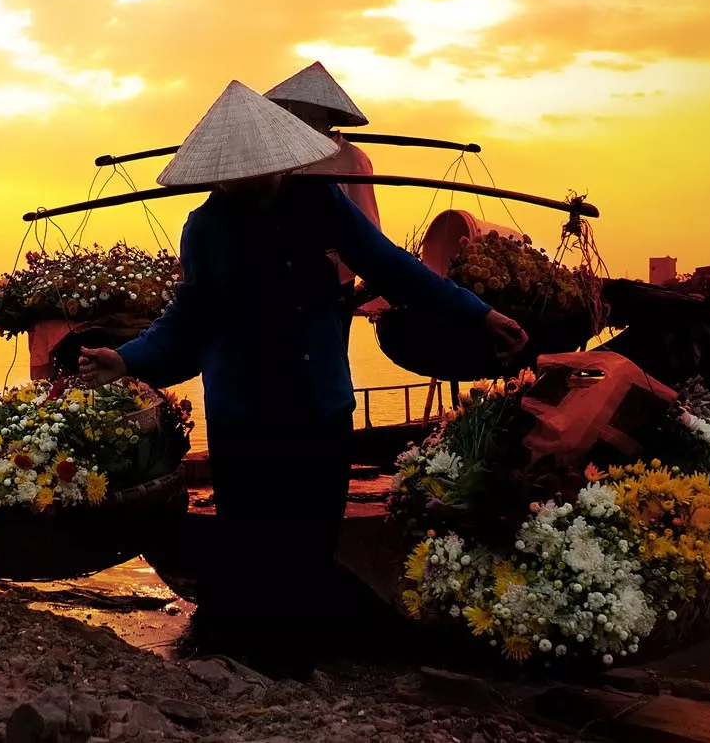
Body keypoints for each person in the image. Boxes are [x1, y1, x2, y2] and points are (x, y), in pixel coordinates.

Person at [78, 80, 527, 681]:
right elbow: (188, 322)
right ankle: (251, 660)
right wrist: (127, 360)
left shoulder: (319, 204)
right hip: (242, 411)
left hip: (319, 404)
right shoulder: (205, 228)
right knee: (252, 542)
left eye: (261, 170)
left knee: (311, 541)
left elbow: (391, 266)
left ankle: (292, 664)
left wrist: (478, 313)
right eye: (238, 175)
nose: (252, 182)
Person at [266, 61, 379, 348]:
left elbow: (368, 226)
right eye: (294, 112)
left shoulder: (352, 159)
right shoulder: (280, 156)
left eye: (309, 114)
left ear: (326, 118)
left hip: (334, 279)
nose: (300, 119)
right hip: (279, 275)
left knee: (330, 350)